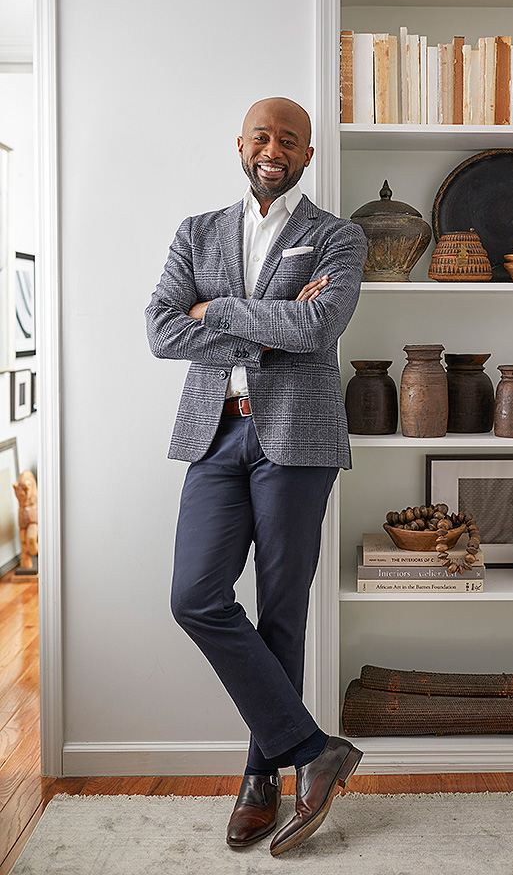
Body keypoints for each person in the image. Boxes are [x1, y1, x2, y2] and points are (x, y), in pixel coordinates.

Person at [145, 97, 367, 856]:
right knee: (195, 597)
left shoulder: (338, 236)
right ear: (241, 144)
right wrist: (260, 321)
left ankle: (260, 778)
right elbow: (160, 329)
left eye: (291, 140)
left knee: (281, 612)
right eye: (263, 136)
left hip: (297, 440)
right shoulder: (196, 231)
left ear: (309, 153)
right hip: (216, 433)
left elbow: (318, 329)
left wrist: (217, 310)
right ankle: (311, 750)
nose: (275, 149)